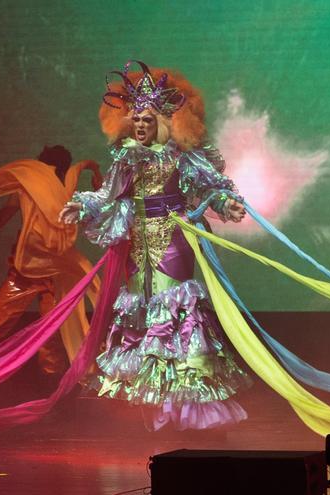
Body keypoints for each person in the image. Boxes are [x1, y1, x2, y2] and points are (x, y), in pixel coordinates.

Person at [59, 61, 251, 431]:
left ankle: (186, 404)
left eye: (147, 119)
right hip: (139, 243)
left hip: (174, 238)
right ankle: (157, 400)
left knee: (174, 308)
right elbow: (106, 194)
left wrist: (227, 204)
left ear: (163, 121)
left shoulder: (181, 155)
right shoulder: (128, 157)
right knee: (143, 312)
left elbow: (212, 188)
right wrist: (81, 204)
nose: (140, 125)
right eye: (135, 120)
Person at [0, 145, 103, 384]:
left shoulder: (65, 193)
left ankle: (51, 389)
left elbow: (88, 201)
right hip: (26, 269)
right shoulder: (27, 190)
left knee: (50, 332)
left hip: (55, 272)